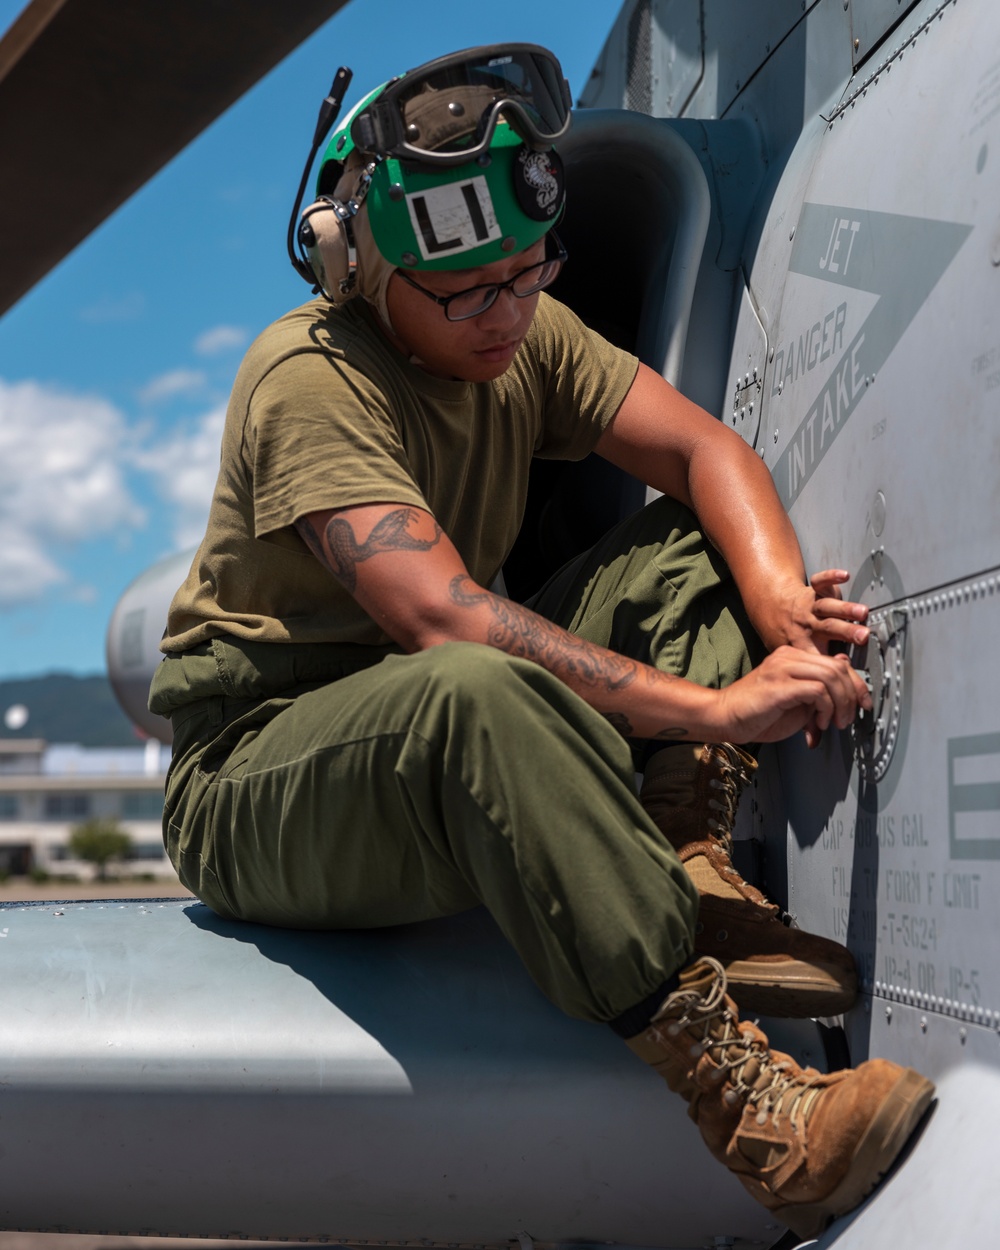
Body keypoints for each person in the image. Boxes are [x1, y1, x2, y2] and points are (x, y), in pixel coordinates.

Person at [149, 44, 933, 1239]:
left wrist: (777, 607)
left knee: (690, 543)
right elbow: (438, 617)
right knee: (471, 685)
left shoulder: (521, 329)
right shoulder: (304, 378)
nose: (510, 313)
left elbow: (701, 454)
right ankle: (755, 1114)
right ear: (353, 267)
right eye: (469, 294)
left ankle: (679, 847)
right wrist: (718, 707)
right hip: (259, 767)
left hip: (433, 711)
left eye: (531, 272)